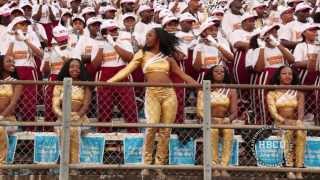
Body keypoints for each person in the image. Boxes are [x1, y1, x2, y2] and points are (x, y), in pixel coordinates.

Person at [107, 27, 198, 177]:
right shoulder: (142, 54)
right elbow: (127, 69)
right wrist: (109, 82)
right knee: (151, 127)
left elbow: (182, 74)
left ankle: (159, 166)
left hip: (169, 94)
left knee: (165, 131)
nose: (146, 38)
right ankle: (146, 164)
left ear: (158, 38)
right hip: (152, 93)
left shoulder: (167, 57)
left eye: (150, 35)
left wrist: (201, 87)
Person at [246, 24, 294, 124]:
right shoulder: (257, 50)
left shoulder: (280, 48)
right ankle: (264, 126)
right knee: (264, 104)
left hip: (280, 79)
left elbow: (291, 60)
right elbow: (259, 68)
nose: (274, 34)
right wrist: (262, 48)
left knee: (281, 104)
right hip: (265, 79)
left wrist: (277, 44)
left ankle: (280, 126)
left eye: (275, 32)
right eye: (271, 33)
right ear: (264, 36)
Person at [197, 64, 237, 177]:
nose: (219, 73)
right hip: (208, 121)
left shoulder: (231, 90)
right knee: (213, 131)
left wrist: (228, 119)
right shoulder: (205, 88)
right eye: (216, 71)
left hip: (224, 120)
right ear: (211, 73)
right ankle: (213, 166)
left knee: (229, 131)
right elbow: (199, 111)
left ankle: (224, 166)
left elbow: (234, 112)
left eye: (222, 71)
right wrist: (209, 120)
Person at [267, 66, 306, 179]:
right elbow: (273, 113)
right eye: (284, 73)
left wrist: (298, 121)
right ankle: (289, 168)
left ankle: (298, 170)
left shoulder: (298, 92)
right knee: (287, 132)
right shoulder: (272, 93)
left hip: (295, 122)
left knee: (300, 133)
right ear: (279, 76)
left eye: (290, 74)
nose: (288, 76)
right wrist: (285, 121)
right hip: (280, 123)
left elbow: (301, 112)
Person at [4, 16, 43, 131]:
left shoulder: (31, 35)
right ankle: (12, 133)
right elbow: (6, 58)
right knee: (11, 102)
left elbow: (40, 54)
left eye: (26, 24)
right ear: (15, 26)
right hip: (13, 71)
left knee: (29, 104)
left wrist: (25, 40)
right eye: (21, 24)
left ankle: (29, 136)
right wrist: (12, 41)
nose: (25, 26)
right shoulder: (7, 36)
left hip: (29, 70)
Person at [52, 58, 91, 164]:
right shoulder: (59, 84)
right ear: (67, 69)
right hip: (62, 117)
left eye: (78, 67)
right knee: (65, 129)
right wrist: (64, 116)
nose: (75, 69)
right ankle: (65, 163)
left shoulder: (85, 85)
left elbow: (86, 105)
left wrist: (76, 116)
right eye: (72, 66)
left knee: (73, 129)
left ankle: (74, 165)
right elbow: (55, 106)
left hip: (80, 118)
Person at [293, 24, 320, 124]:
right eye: (311, 30)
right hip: (304, 76)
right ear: (304, 33)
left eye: (315, 31)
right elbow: (297, 62)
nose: (315, 32)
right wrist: (313, 61)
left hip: (317, 77)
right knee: (302, 98)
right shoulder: (300, 46)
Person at [0, 55, 22, 172]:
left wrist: (1, 116)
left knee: (0, 128)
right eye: (8, 61)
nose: (12, 63)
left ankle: (2, 166)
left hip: (9, 119)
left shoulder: (16, 82)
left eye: (14, 61)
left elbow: (13, 104)